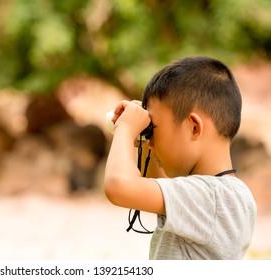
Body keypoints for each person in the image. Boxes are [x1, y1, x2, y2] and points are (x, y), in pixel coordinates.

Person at [104, 56, 257, 259]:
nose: (151, 141)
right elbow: (157, 183)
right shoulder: (226, 195)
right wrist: (144, 128)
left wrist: (126, 128)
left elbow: (119, 187)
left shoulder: (212, 198)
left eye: (154, 130)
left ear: (194, 127)